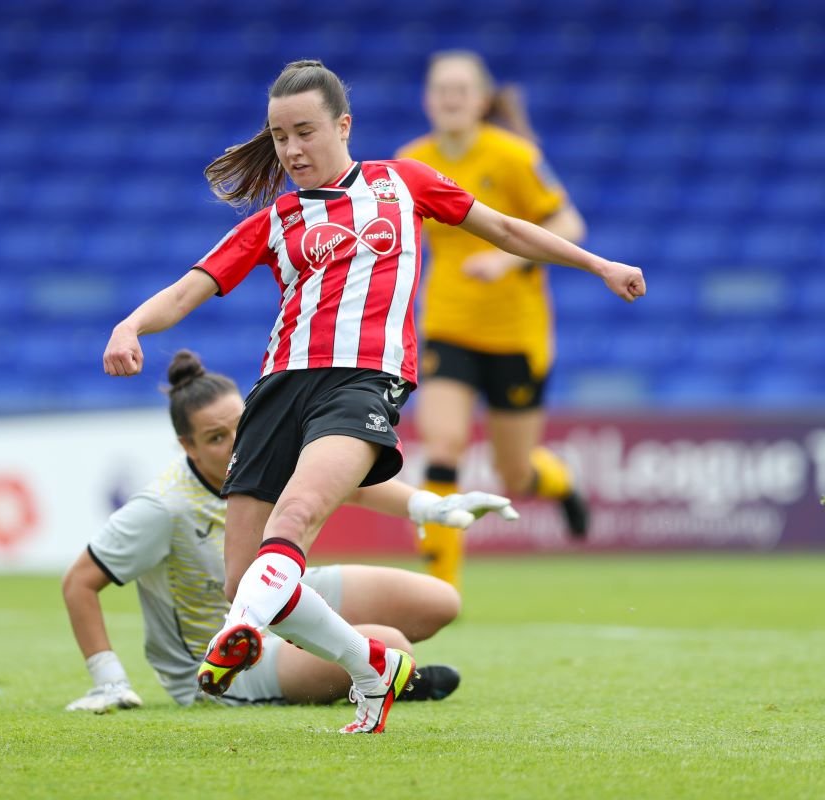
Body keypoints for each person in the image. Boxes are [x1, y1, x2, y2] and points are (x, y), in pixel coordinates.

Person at [103, 59, 645, 733]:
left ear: (343, 125)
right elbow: (190, 287)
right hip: (279, 388)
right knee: (246, 574)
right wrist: (130, 324)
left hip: (363, 380)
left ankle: (240, 630)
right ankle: (370, 665)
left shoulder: (403, 183)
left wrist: (600, 265)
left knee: (295, 516)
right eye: (279, 137)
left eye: (305, 131)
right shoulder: (275, 221)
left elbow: (506, 228)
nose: (293, 150)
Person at [64, 350, 519, 712]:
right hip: (232, 660)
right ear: (187, 445)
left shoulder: (262, 451)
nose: (233, 445)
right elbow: (79, 582)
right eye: (215, 438)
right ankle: (377, 673)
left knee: (440, 601)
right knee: (392, 643)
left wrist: (433, 507)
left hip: (285, 592)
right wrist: (110, 680)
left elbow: (353, 489)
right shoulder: (163, 508)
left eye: (239, 427)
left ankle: (363, 669)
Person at [396, 51, 593, 591]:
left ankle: (560, 482)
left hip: (516, 335)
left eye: (461, 88)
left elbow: (568, 220)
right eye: (440, 88)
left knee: (515, 475)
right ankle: (440, 587)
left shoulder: (512, 156)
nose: (450, 98)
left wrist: (507, 260)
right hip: (449, 326)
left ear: (482, 100)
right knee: (443, 446)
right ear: (427, 99)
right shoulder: (412, 162)